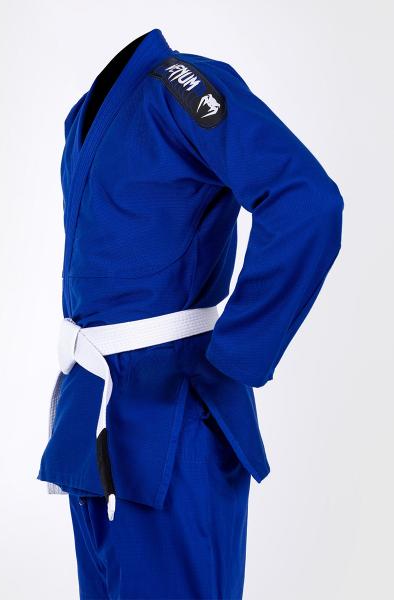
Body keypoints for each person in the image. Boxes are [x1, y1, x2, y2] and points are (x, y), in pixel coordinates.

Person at [38, 28, 343, 599]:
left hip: (175, 415)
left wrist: (237, 355)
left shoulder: (179, 90)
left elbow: (308, 202)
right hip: (96, 410)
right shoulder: (81, 116)